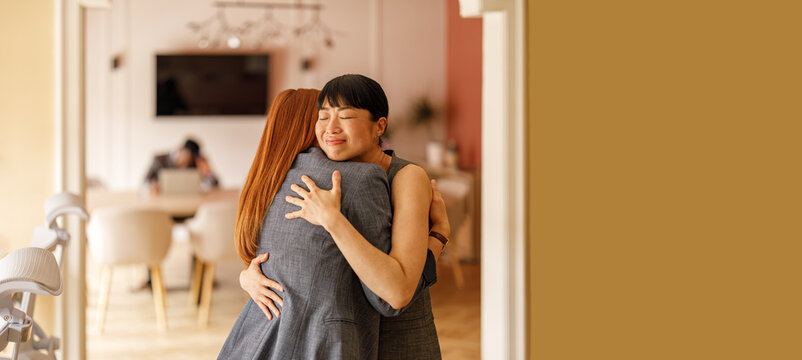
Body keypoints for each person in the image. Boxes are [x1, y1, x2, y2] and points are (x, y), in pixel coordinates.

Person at [218, 87, 448, 359]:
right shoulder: (354, 182)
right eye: (323, 116)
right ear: (310, 126)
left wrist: (247, 275)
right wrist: (438, 238)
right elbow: (392, 296)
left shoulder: (269, 183)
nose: (331, 127)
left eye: (344, 116)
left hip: (258, 342)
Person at [144, 138, 219, 194]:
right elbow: (144, 183)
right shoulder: (159, 160)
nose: (189, 161)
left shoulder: (194, 164)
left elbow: (215, 184)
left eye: (193, 157)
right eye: (189, 155)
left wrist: (209, 173)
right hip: (162, 205)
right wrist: (151, 186)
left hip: (189, 206)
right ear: (181, 150)